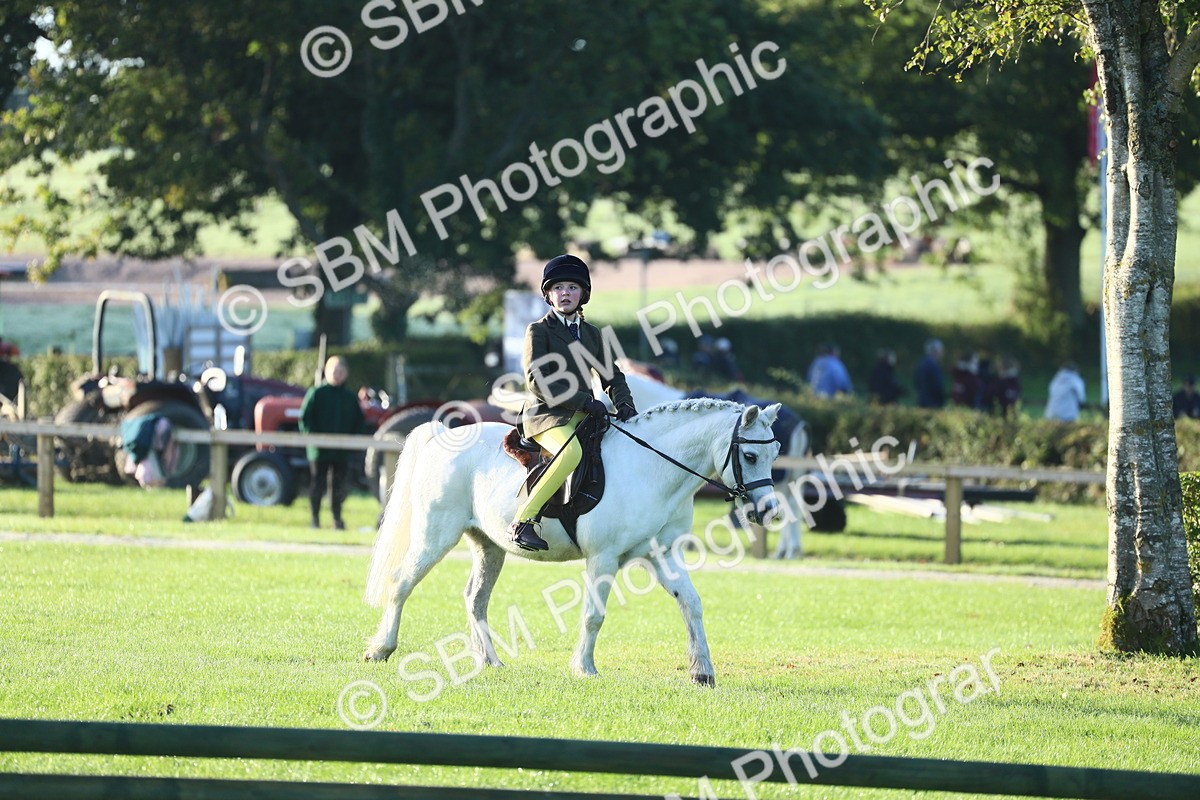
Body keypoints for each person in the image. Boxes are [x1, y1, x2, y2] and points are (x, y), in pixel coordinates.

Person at [509, 254, 637, 552]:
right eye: (558, 288)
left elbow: (612, 376)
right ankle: (523, 521)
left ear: (583, 294)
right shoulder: (538, 331)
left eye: (572, 287)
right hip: (546, 416)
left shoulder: (592, 334)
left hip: (584, 415)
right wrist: (584, 401)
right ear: (548, 295)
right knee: (570, 454)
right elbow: (537, 380)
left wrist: (625, 403)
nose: (565, 293)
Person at [300, 356, 366, 530]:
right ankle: (315, 519)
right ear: (327, 372)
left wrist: (352, 439)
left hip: (341, 451)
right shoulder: (316, 393)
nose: (337, 375)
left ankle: (337, 519)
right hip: (319, 450)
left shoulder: (349, 397)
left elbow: (359, 422)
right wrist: (313, 437)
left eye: (340, 372)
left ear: (346, 374)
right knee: (318, 483)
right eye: (334, 371)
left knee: (338, 485)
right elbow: (305, 418)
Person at [914, 339, 946, 408]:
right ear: (935, 351)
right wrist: (942, 401)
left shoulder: (922, 362)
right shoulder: (933, 364)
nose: (942, 353)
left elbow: (916, 382)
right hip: (933, 403)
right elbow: (937, 386)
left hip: (922, 400)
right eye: (941, 350)